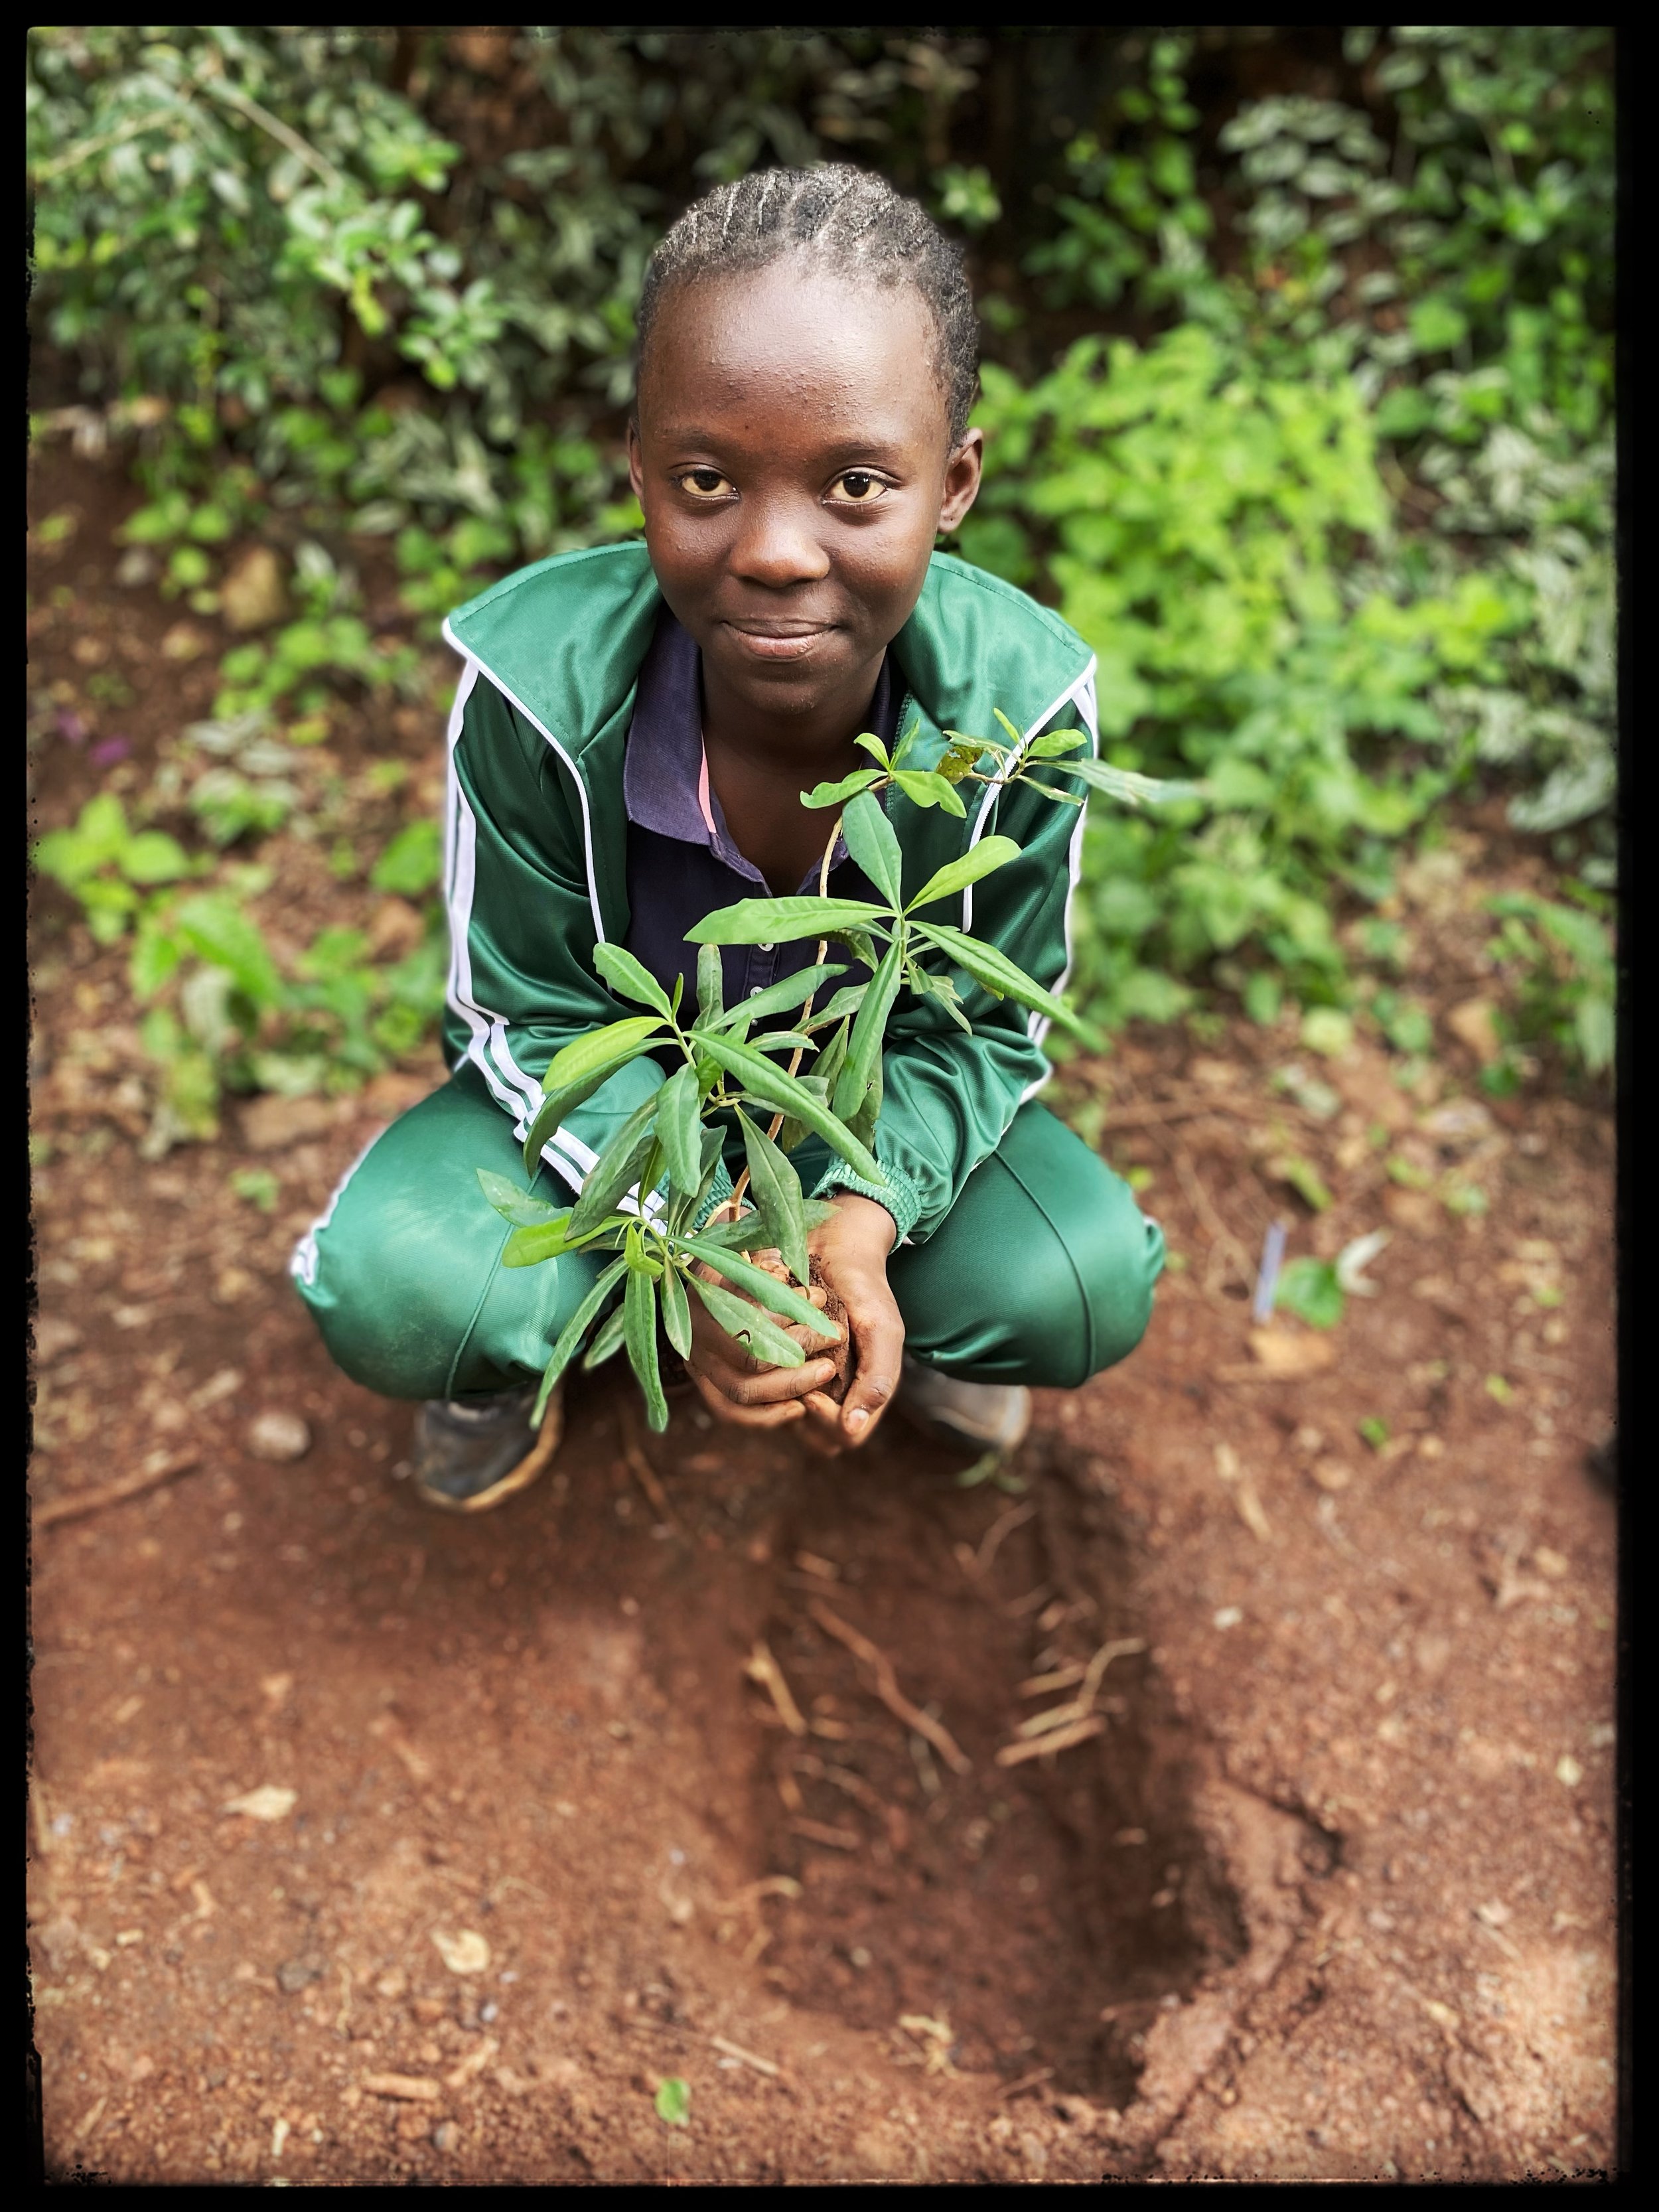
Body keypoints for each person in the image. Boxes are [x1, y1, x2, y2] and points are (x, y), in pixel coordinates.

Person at [292, 164, 1165, 1512]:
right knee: (407, 1289)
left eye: (856, 483)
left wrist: (857, 1213)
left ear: (953, 482)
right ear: (636, 472)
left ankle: (896, 1311)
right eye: (705, 478)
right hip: (621, 1121)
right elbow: (519, 1020)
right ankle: (546, 1341)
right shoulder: (535, 690)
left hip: (862, 1119)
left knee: (1073, 1279)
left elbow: (990, 1028)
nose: (771, 550)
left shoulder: (1017, 711)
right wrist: (683, 1236)